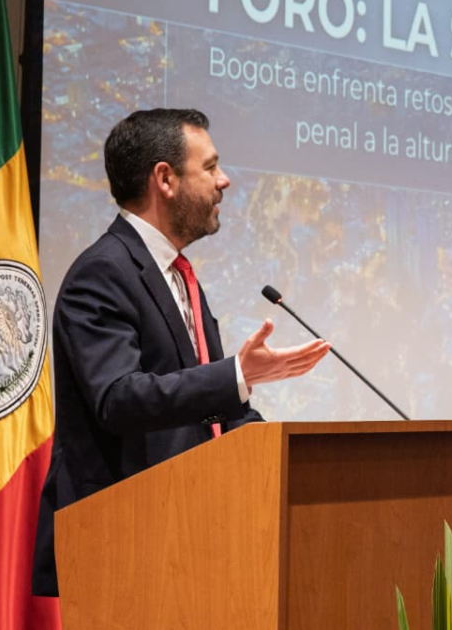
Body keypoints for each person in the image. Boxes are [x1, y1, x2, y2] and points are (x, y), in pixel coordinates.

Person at [31, 109, 331, 597]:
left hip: (192, 539)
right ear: (165, 179)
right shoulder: (101, 273)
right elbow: (118, 399)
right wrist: (235, 374)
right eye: (210, 167)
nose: (224, 180)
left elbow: (210, 411)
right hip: (126, 547)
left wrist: (278, 456)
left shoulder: (179, 275)